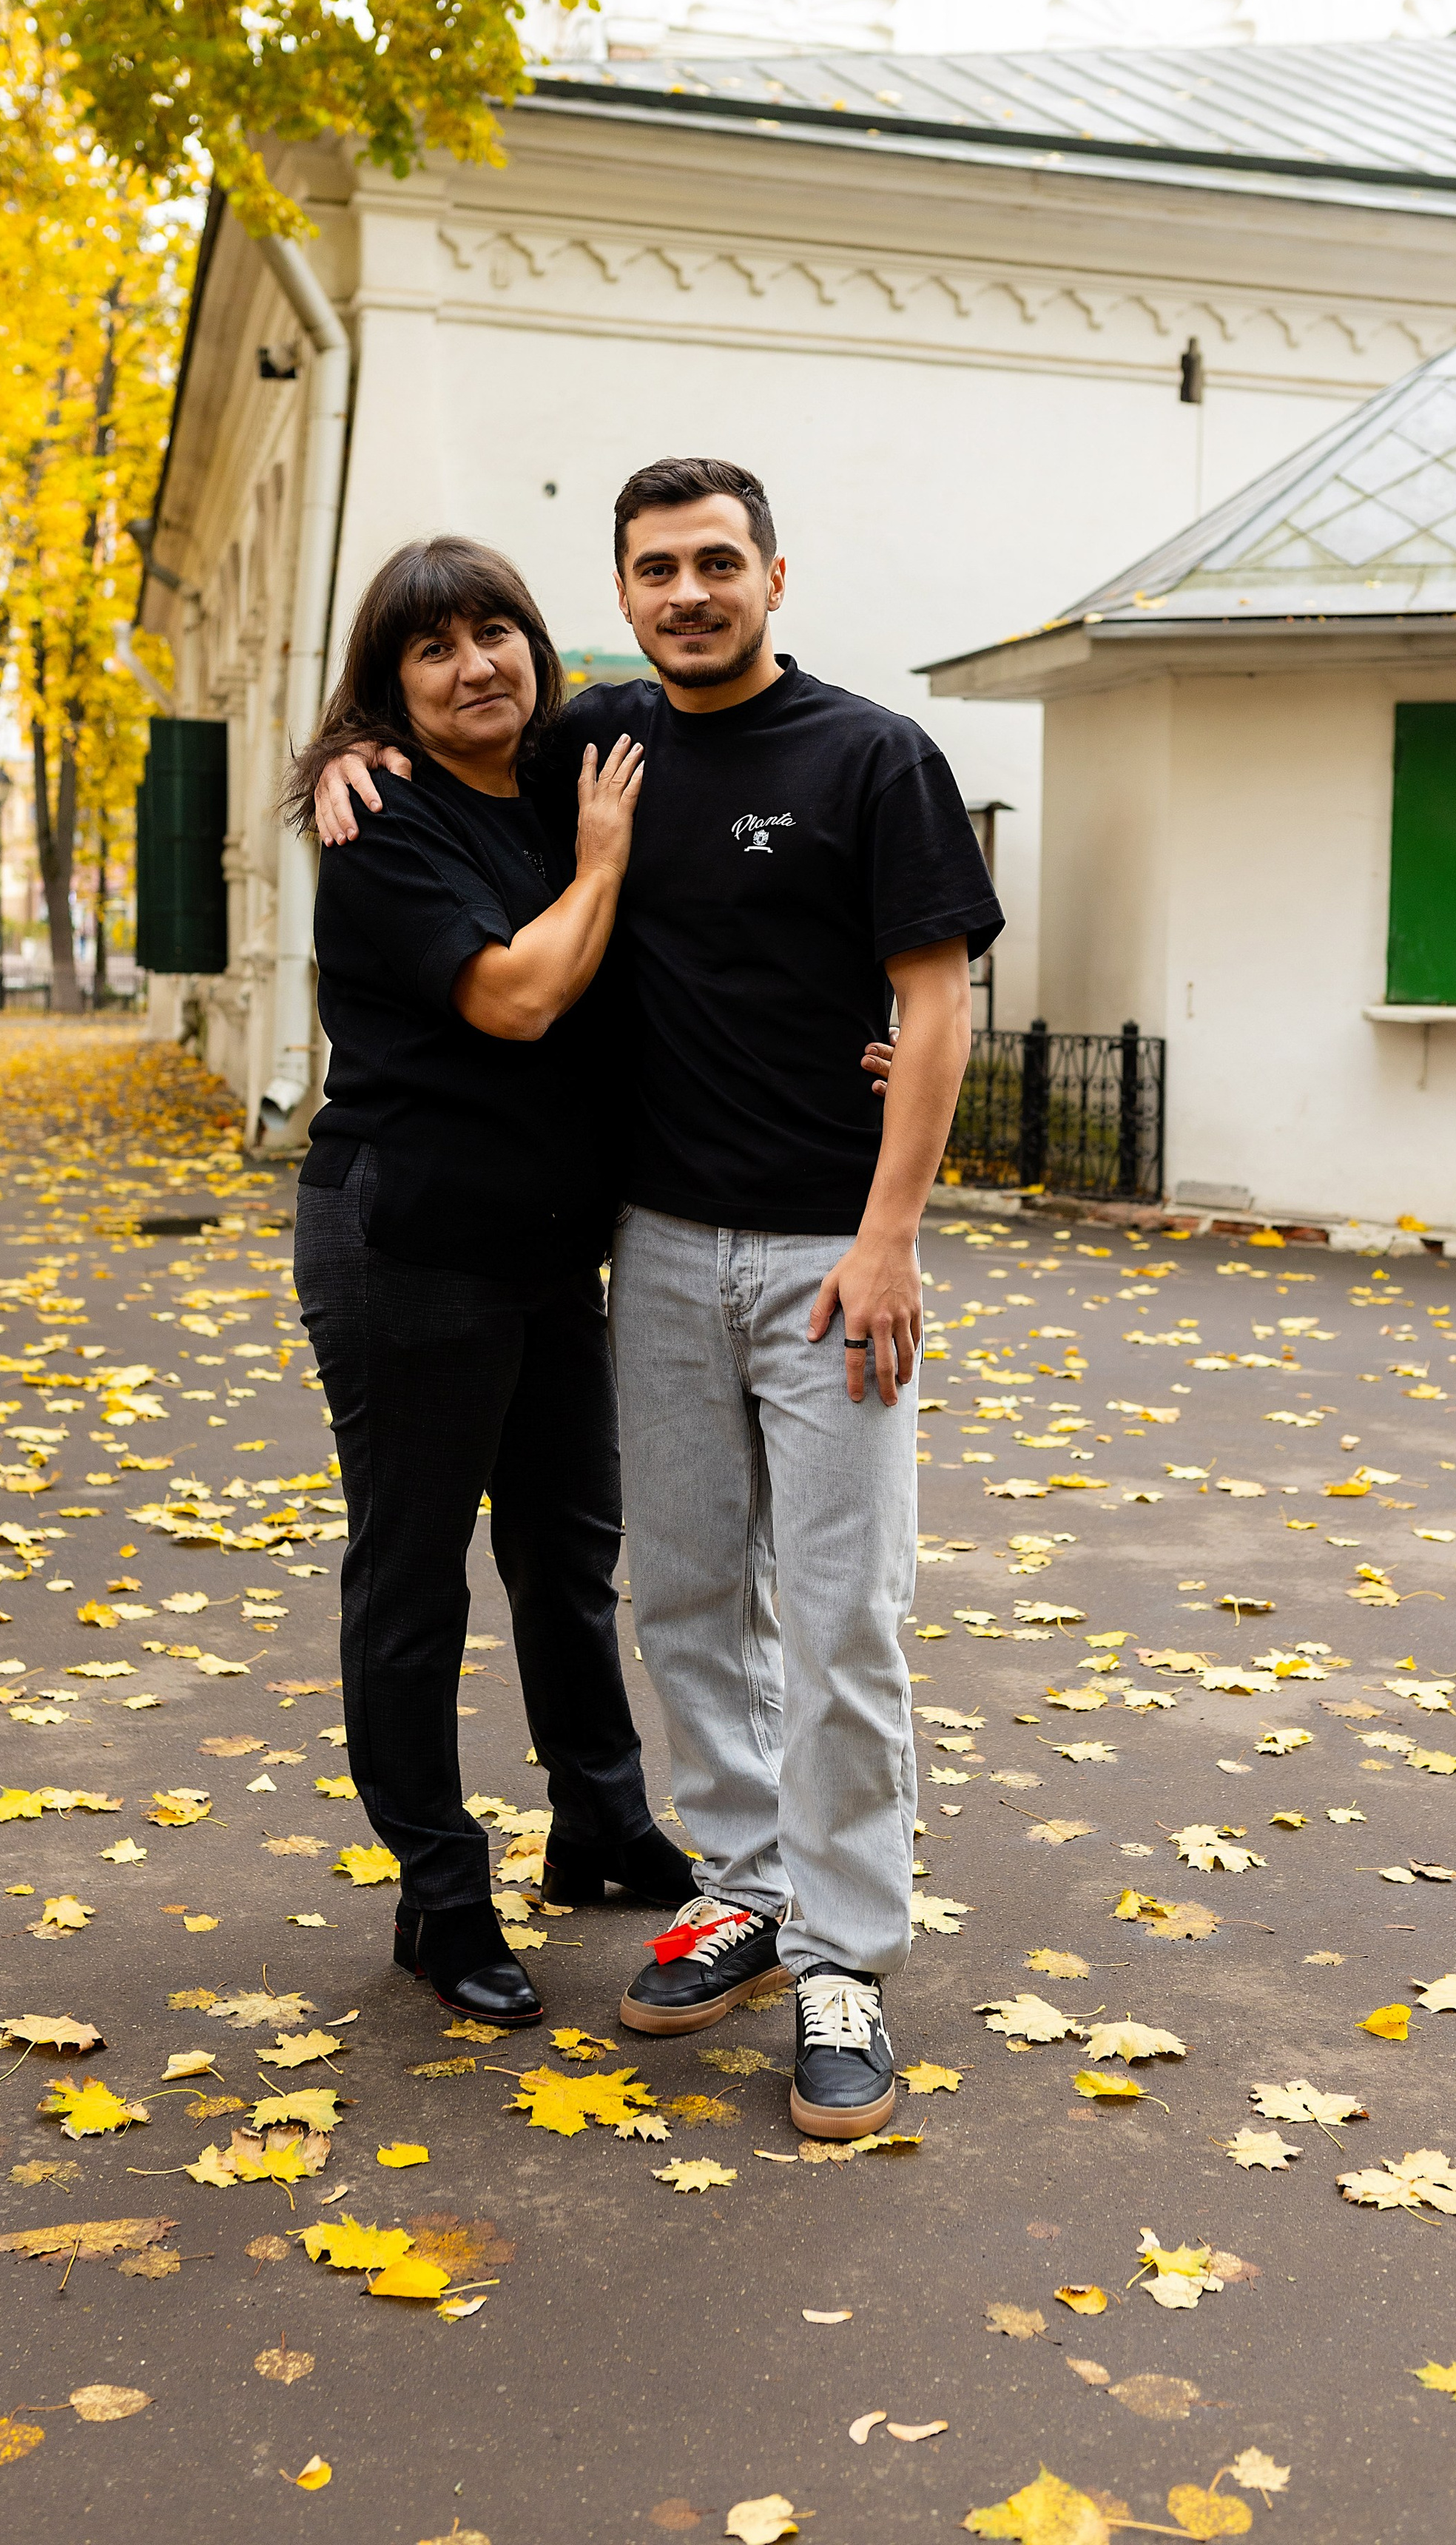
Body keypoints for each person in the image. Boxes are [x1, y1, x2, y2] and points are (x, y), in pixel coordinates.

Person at [317, 459, 1002, 2138]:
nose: (685, 594)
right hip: (653, 1248)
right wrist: (345, 756)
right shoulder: (591, 748)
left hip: (832, 1256)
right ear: (619, 597)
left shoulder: (869, 755)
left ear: (775, 575)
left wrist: (892, 1230)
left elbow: (936, 1004)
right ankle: (748, 1884)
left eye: (715, 565)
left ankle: (842, 1959)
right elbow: (436, 760)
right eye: (653, 571)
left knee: (841, 1613)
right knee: (686, 1595)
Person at [281, 535, 693, 2032]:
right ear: (388, 689)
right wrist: (596, 870)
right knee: (411, 1578)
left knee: (566, 1554)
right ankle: (437, 1893)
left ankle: (597, 1827)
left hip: (540, 1246)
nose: (476, 665)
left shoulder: (551, 771)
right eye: (434, 647)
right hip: (407, 1242)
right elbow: (516, 996)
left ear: (538, 642)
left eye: (495, 632)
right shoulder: (385, 819)